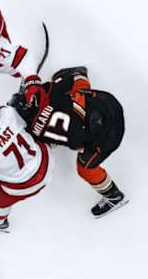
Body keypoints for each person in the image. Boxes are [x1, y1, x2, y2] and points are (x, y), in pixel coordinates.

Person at [10, 66, 127, 217]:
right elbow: (56, 87)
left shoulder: (33, 133)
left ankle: (114, 196)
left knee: (85, 168)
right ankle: (79, 76)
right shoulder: (47, 93)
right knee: (74, 91)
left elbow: (70, 144)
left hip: (108, 137)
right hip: (108, 103)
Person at [0, 97, 53, 231]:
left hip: (25, 185)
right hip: (46, 162)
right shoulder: (8, 113)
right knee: (31, 134)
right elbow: (22, 123)